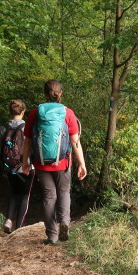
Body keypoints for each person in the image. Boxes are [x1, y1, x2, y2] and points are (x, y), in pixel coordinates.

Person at [21, 80, 87, 245]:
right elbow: (75, 142)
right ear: (60, 94)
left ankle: (52, 235)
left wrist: (25, 162)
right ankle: (64, 221)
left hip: (42, 163)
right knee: (64, 192)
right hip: (63, 162)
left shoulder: (35, 113)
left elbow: (28, 139)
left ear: (44, 94)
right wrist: (82, 163)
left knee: (49, 197)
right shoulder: (68, 113)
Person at [0, 99, 34, 233]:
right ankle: (18, 228)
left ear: (10, 111)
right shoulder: (27, 127)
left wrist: (3, 167)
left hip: (9, 167)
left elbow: (0, 149)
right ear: (23, 112)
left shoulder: (3, 128)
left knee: (13, 193)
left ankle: (8, 220)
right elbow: (32, 148)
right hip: (26, 166)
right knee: (24, 196)